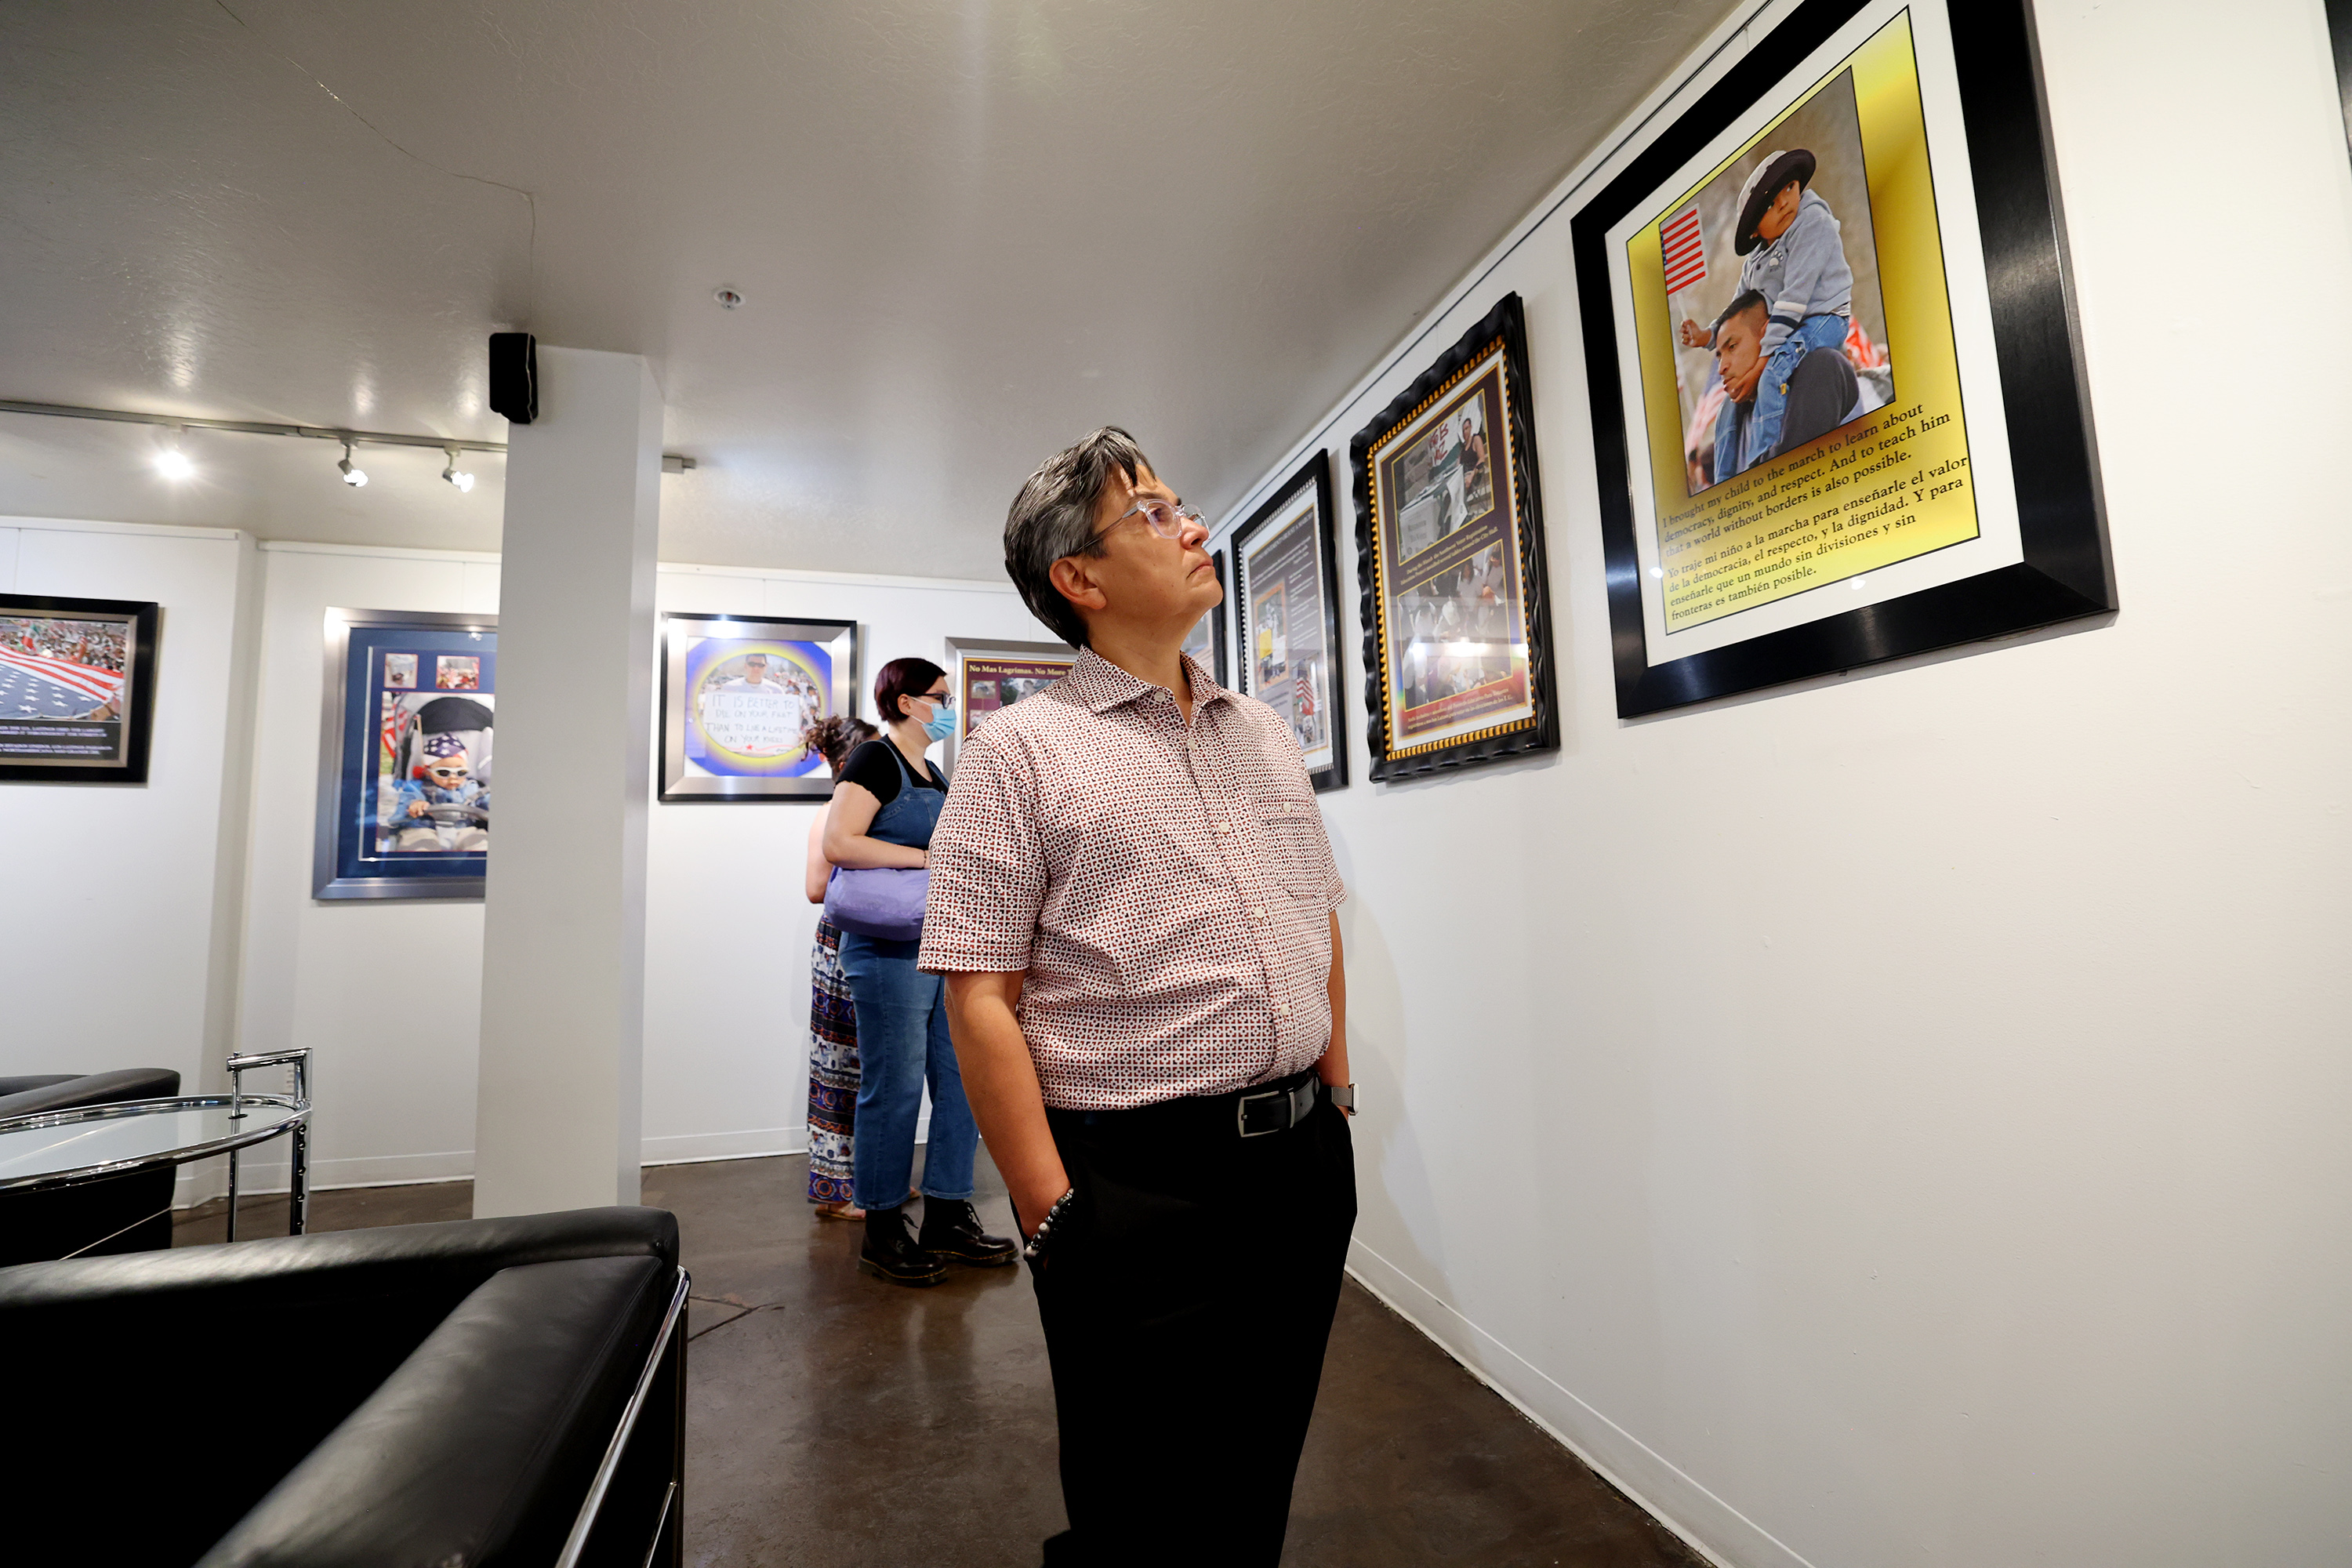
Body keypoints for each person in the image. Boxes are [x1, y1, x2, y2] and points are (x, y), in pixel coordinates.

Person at [923, 427, 1356, 1567]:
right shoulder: (1020, 752)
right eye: (1155, 514)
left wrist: (1340, 1091)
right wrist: (1052, 1213)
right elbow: (980, 999)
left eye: (1181, 503)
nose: (1194, 526)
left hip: (1301, 1169)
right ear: (1081, 578)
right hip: (1132, 1182)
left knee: (1258, 1471)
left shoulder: (1263, 732)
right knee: (1140, 1500)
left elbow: (1317, 913)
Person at [823, 656, 1015, 1285]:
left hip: (940, 947)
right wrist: (926, 856)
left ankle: (947, 1214)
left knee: (960, 1080)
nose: (949, 705)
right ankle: (882, 1228)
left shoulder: (932, 770)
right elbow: (840, 844)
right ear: (907, 702)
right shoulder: (875, 760)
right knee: (897, 1085)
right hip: (886, 952)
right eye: (940, 695)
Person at [1678, 147, 1855, 476]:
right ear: (1756, 231)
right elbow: (1737, 309)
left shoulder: (1813, 223)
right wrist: (1708, 335)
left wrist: (1763, 363)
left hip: (1822, 318)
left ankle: (1767, 464)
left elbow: (1794, 299)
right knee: (1729, 407)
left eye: (1788, 188)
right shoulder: (1755, 264)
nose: (1785, 202)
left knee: (1775, 371)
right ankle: (1726, 480)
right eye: (1771, 205)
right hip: (1788, 328)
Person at [801, 713, 880, 1220]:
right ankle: (836, 1190)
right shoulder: (832, 813)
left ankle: (872, 1177)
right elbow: (814, 888)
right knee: (839, 1067)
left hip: (873, 943)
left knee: (875, 1067)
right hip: (841, 946)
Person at [1706, 290, 1875, 470]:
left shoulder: (1820, 367)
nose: (1722, 367)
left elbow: (1794, 476)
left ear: (1769, 335)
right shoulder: (1731, 415)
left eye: (1732, 347)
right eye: (1719, 357)